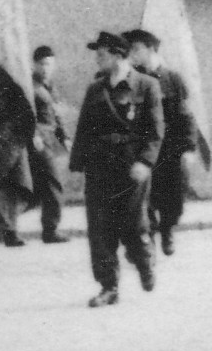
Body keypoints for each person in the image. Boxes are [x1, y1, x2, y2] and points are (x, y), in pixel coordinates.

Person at [71, 33, 165, 308]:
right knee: (99, 228)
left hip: (131, 165)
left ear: (118, 55)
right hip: (100, 166)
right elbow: (84, 128)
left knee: (133, 225)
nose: (97, 59)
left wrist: (145, 162)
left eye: (101, 54)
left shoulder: (146, 85)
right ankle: (108, 286)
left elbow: (155, 130)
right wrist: (78, 164)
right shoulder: (95, 89)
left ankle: (144, 262)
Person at [125, 30, 197, 256]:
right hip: (143, 147)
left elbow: (186, 116)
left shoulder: (172, 79)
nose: (132, 53)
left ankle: (167, 229)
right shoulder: (132, 80)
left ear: (151, 49)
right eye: (130, 49)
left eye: (137, 49)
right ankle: (149, 236)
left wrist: (189, 147)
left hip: (170, 147)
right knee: (142, 197)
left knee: (174, 196)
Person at [27, 46, 71, 244]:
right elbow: (26, 113)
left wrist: (65, 137)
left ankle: (5, 223)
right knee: (53, 182)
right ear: (35, 64)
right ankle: (51, 230)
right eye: (42, 64)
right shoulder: (30, 87)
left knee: (39, 188)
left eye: (49, 64)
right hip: (39, 141)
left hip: (50, 139)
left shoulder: (50, 87)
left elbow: (57, 115)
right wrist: (34, 134)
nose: (46, 68)